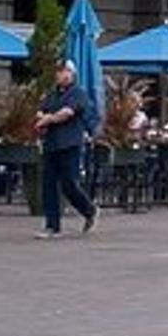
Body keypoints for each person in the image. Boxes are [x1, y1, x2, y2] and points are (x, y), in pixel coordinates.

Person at [33, 59, 99, 238]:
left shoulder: (78, 93)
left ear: (72, 74)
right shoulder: (52, 94)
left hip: (70, 144)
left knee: (69, 183)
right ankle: (52, 225)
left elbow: (67, 113)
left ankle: (89, 210)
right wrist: (41, 117)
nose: (61, 75)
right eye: (59, 71)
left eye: (65, 71)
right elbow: (41, 110)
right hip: (51, 144)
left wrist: (48, 119)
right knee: (48, 185)